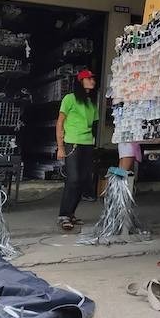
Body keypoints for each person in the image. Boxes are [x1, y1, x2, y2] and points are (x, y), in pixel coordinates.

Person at [56, 69, 98, 231]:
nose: (92, 81)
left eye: (93, 79)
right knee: (73, 179)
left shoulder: (92, 102)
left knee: (83, 179)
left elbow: (93, 125)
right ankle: (63, 215)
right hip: (72, 143)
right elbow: (60, 123)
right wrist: (60, 147)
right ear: (81, 81)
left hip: (87, 144)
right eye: (89, 78)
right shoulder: (69, 99)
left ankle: (71, 213)